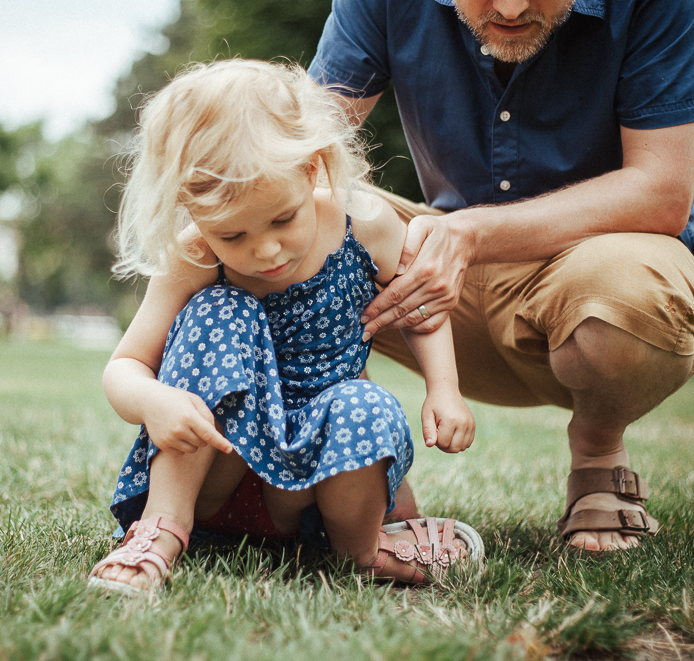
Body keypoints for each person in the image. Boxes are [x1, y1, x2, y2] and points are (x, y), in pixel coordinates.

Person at [308, 0, 694, 552]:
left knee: (628, 291)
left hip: (602, 292)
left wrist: (470, 232)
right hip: (435, 294)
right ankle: (285, 476)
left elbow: (662, 191)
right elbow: (307, 144)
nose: (509, 4)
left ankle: (597, 461)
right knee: (287, 221)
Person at [87, 59, 483, 595]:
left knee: (364, 404)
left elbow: (422, 305)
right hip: (216, 477)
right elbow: (124, 367)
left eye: (281, 219)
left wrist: (445, 388)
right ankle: (161, 530)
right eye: (233, 235)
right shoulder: (197, 257)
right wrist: (153, 401)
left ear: (314, 167)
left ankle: (362, 550)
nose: (266, 251)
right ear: (192, 210)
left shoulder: (364, 226)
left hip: (314, 491)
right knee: (222, 310)